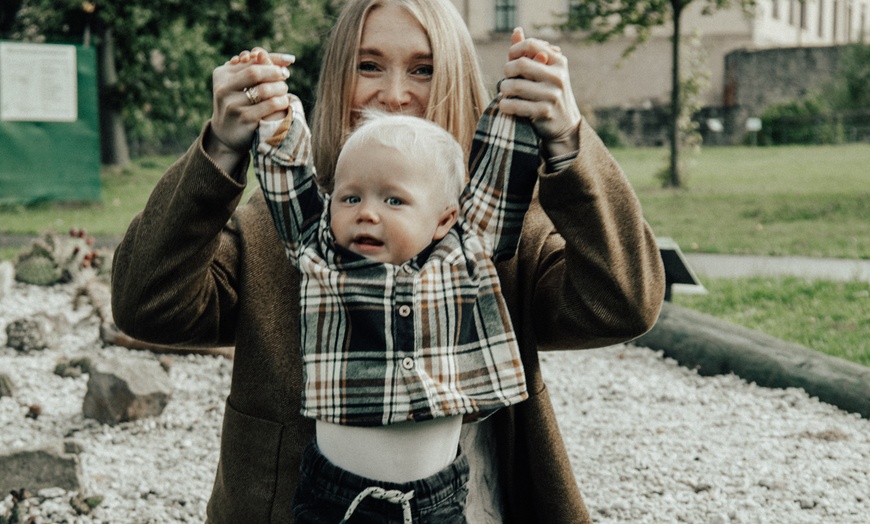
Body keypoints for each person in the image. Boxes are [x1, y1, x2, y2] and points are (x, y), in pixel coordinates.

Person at [111, 0, 666, 522]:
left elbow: (621, 305)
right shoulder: (279, 227)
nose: (393, 94)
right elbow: (146, 306)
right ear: (336, 79)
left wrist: (569, 142)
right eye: (369, 65)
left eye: (423, 69)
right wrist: (221, 149)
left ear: (454, 78)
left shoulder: (503, 229)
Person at [253, 82, 538, 520]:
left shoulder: (464, 253)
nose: (367, 212)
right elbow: (285, 180)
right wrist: (276, 114)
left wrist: (518, 97)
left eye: (393, 200)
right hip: (337, 501)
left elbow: (503, 179)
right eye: (351, 197)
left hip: (436, 502)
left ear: (444, 218)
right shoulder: (320, 251)